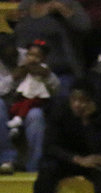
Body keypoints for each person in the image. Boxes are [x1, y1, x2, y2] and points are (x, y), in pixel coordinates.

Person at [14, 0, 91, 96]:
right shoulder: (26, 5)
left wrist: (64, 10)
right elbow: (20, 38)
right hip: (28, 73)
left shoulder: (67, 3)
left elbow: (85, 27)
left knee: (63, 98)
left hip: (62, 72)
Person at [0, 32, 47, 173]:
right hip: (5, 105)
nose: (12, 56)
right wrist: (13, 77)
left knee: (37, 115)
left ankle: (34, 166)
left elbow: (48, 81)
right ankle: (7, 159)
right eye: (7, 54)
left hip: (27, 104)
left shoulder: (28, 55)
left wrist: (43, 72)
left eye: (13, 52)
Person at [7, 39, 60, 134]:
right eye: (31, 55)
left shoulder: (43, 68)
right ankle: (15, 128)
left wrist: (39, 71)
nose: (33, 58)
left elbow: (55, 85)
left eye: (37, 56)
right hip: (21, 96)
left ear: (43, 58)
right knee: (15, 108)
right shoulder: (23, 67)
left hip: (38, 97)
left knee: (32, 110)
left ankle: (19, 120)